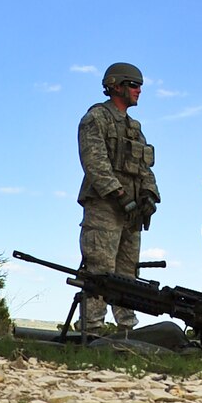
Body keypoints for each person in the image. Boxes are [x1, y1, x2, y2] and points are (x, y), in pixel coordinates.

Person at [76, 62, 158, 335]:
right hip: (105, 206)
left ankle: (127, 332)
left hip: (132, 212)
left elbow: (146, 168)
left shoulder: (134, 128)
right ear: (116, 86)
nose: (139, 91)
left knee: (128, 274)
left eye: (140, 86)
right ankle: (91, 332)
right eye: (134, 85)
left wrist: (149, 197)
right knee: (99, 269)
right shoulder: (96, 118)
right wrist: (121, 196)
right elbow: (95, 163)